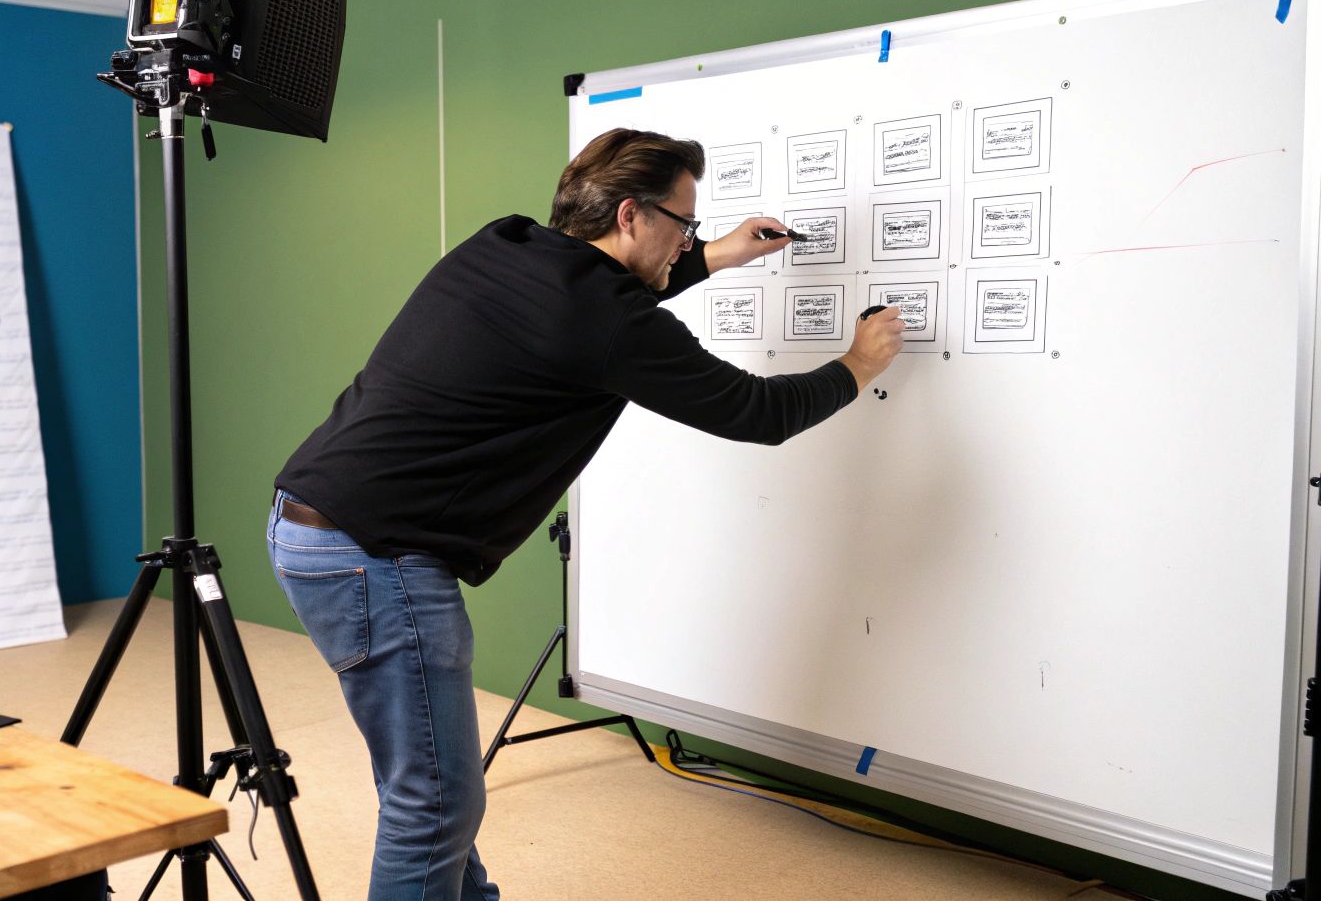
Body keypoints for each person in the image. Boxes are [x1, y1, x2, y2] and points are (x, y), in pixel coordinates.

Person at [267, 128, 902, 900]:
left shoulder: (504, 245)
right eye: (684, 225)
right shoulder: (603, 320)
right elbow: (755, 412)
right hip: (378, 557)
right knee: (433, 802)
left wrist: (713, 258)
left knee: (429, 783)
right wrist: (857, 365)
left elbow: (590, 305)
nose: (688, 240)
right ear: (632, 215)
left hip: (312, 528)